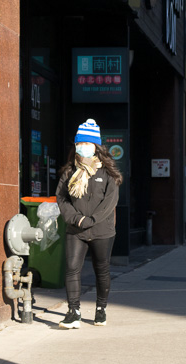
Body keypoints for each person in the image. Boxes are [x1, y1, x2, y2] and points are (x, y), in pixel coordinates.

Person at [56, 119, 123, 329]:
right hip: (76, 229)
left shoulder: (108, 172)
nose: (82, 147)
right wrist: (78, 219)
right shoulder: (70, 171)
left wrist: (92, 220)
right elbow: (62, 198)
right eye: (80, 143)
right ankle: (73, 311)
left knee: (101, 270)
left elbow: (110, 201)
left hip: (102, 230)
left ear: (96, 146)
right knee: (72, 269)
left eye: (87, 143)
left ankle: (101, 309)